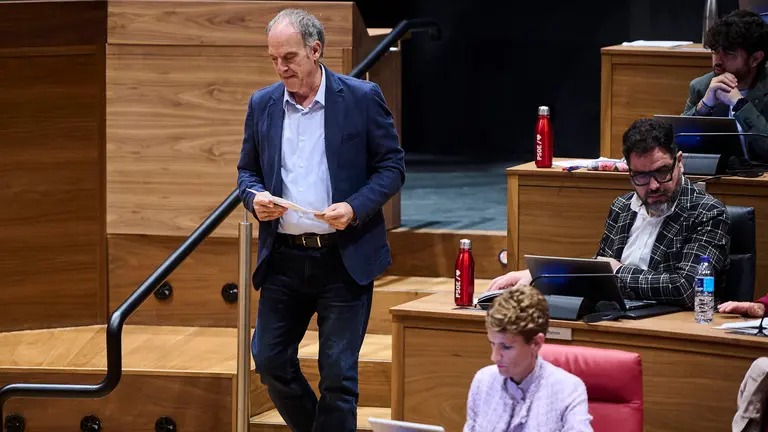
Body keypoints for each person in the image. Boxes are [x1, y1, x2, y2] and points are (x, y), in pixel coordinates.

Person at [236, 9, 404, 432]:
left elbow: (392, 167)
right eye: (273, 58)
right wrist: (255, 199)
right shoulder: (263, 104)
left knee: (337, 376)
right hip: (285, 260)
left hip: (343, 260)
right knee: (270, 361)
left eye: (289, 57)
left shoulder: (362, 98)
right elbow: (247, 172)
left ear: (316, 50)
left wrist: (355, 207)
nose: (281, 67)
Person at [489, 119, 730, 309]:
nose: (653, 185)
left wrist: (617, 271)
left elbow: (688, 289)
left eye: (662, 172)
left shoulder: (707, 213)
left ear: (679, 162)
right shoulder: (622, 208)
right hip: (619, 315)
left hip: (675, 324)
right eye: (641, 176)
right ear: (629, 172)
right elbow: (598, 274)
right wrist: (540, 275)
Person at [464, 285, 593, 432]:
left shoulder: (568, 390)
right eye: (492, 344)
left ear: (536, 343)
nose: (494, 357)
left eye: (506, 347)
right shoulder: (483, 381)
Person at [682, 10, 768, 161]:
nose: (717, 61)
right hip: (719, 181)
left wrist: (740, 104)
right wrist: (703, 107)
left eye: (729, 53)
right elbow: (677, 146)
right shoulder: (701, 87)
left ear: (755, 59)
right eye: (715, 51)